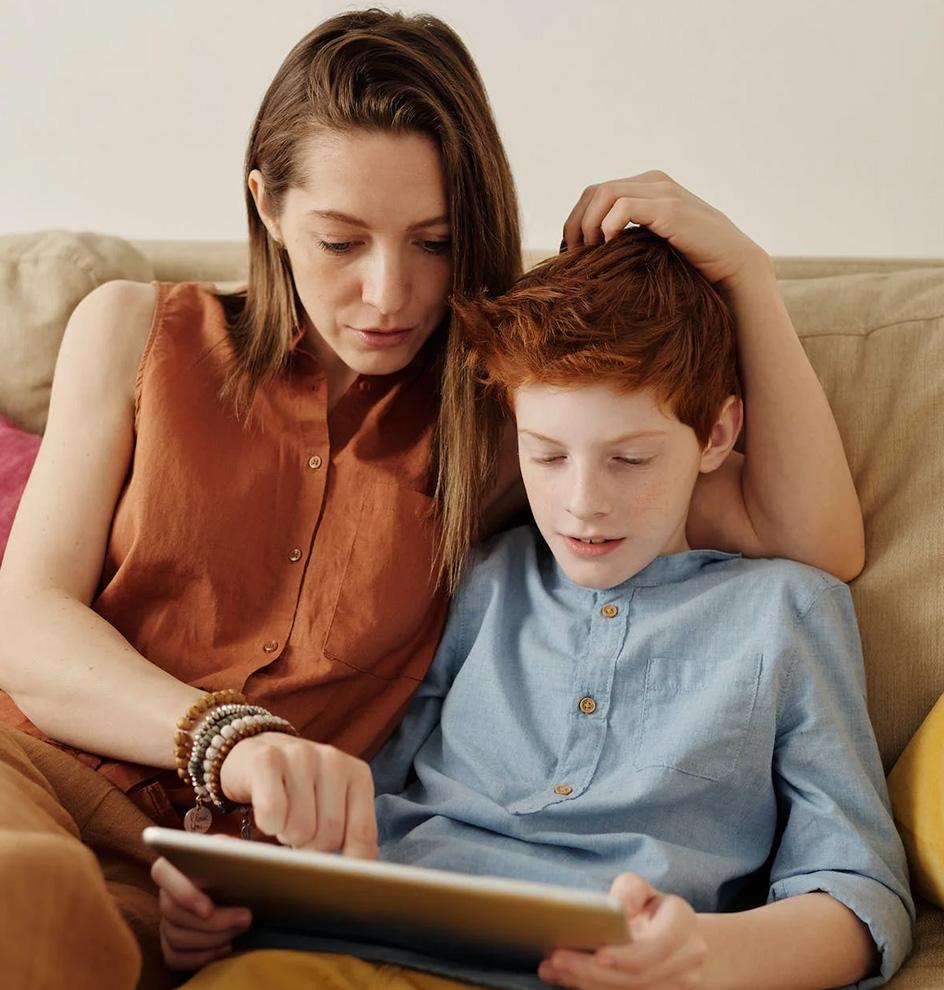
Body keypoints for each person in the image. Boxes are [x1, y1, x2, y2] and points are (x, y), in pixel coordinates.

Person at [0, 8, 865, 990]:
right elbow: (24, 627)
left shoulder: (512, 427)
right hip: (30, 775)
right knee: (17, 889)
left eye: (433, 242)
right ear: (267, 208)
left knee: (73, 943)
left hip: (215, 885)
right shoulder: (134, 329)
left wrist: (744, 272)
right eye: (339, 240)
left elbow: (805, 541)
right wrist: (226, 736)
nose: (387, 294)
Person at [165, 228, 912, 990]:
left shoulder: (785, 610)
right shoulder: (487, 579)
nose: (583, 504)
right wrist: (235, 902)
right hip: (356, 954)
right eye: (547, 456)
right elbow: (363, 803)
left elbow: (858, 890)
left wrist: (705, 958)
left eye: (630, 459)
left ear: (716, 435)